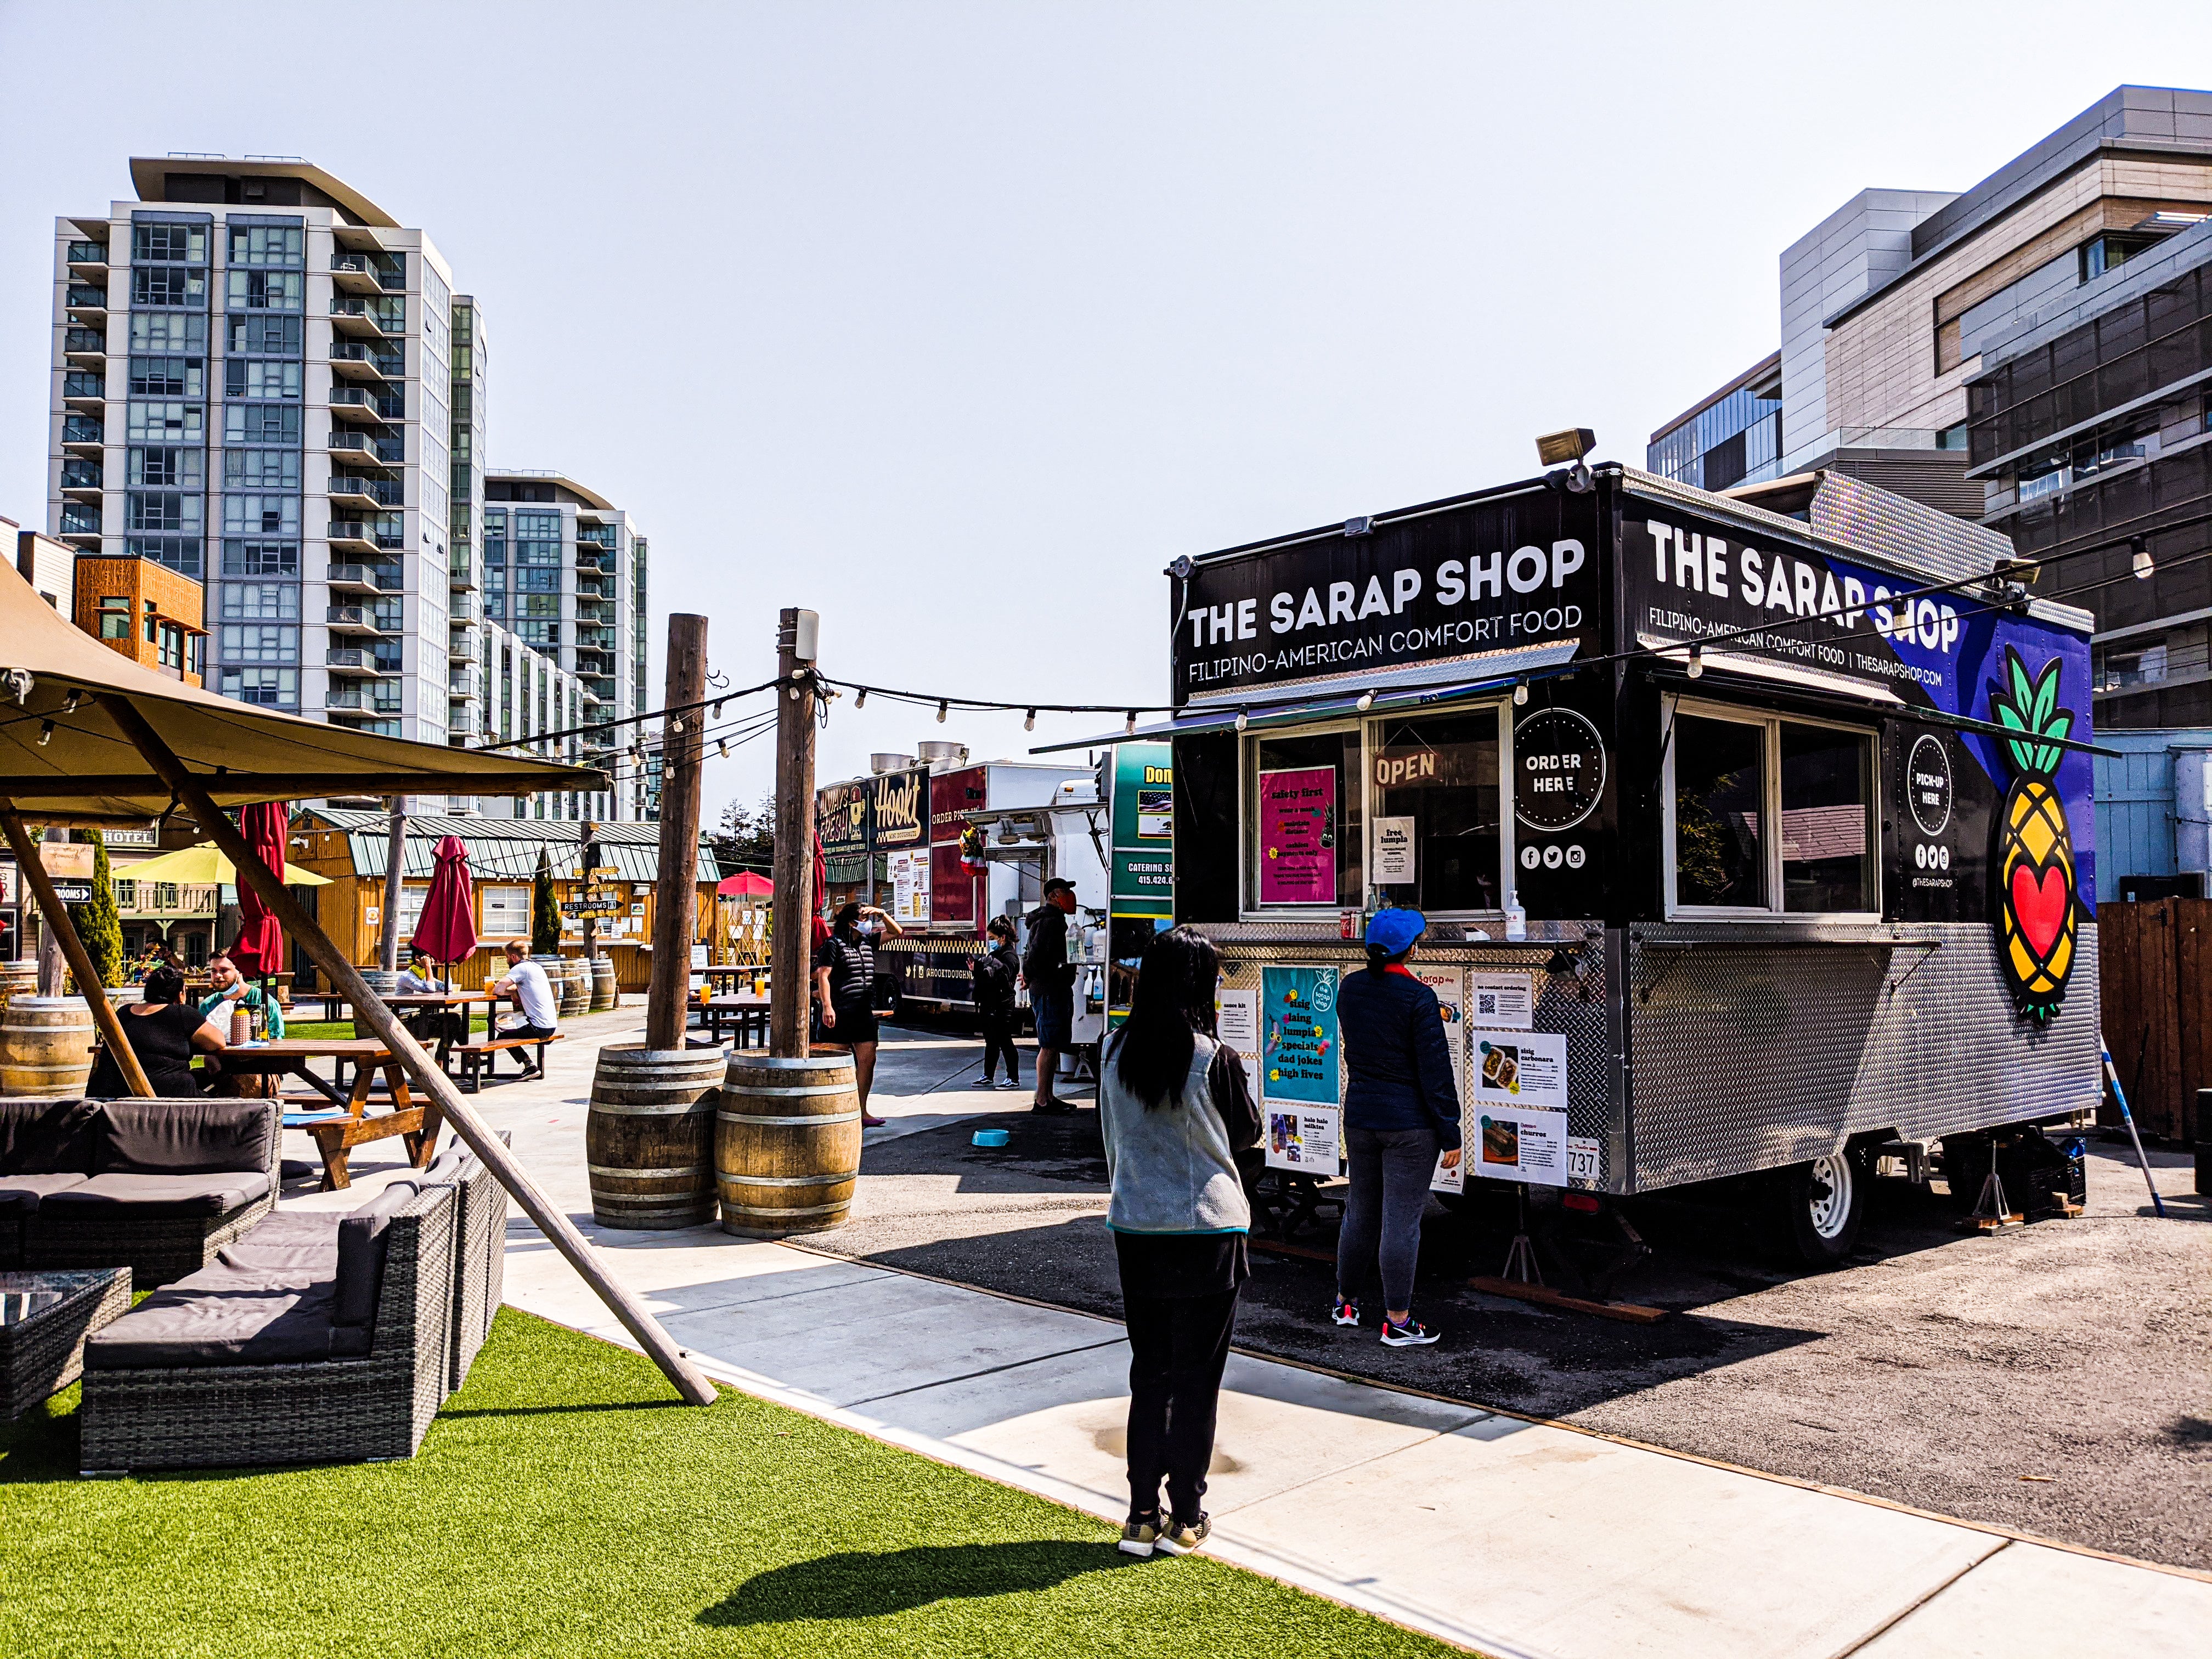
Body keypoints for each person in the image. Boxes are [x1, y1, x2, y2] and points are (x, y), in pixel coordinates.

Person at [1098, 925, 1259, 1559]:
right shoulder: (1213, 1057)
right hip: (1208, 1232)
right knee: (1198, 1377)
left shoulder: (1110, 1051)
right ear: (1201, 983)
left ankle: (1141, 1514)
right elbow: (1245, 1135)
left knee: (1151, 1373)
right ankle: (1187, 1516)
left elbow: (1110, 1137)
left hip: (1135, 1226)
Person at [1331, 907, 1462, 1348]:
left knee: (1360, 1212)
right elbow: (1435, 1072)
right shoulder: (1418, 997)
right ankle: (1398, 1320)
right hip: (1410, 1125)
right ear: (1410, 949)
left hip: (1362, 1116)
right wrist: (1451, 1132)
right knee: (1401, 1223)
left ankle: (1345, 1302)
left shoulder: (1350, 988)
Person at [814, 902, 902, 1127]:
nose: (868, 922)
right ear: (852, 922)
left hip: (863, 1011)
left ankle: (861, 1110)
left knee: (868, 1060)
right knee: (835, 1065)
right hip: (840, 1010)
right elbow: (823, 976)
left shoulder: (867, 941)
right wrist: (827, 1006)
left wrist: (881, 913)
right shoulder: (834, 945)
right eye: (864, 917)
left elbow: (896, 932)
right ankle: (834, 1111)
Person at [89, 964, 227, 1097]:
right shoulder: (182, 1013)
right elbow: (218, 1042)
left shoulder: (124, 1013)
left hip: (119, 1096)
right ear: (180, 994)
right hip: (171, 1099)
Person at [1021, 878, 1080, 1115]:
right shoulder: (1049, 923)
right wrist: (1027, 975)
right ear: (1054, 896)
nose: (1069, 896)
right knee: (1048, 1045)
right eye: (1065, 892)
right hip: (1049, 991)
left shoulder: (1056, 922)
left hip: (1054, 989)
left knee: (1054, 1044)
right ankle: (1042, 1101)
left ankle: (1048, 1096)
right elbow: (1033, 954)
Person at [488, 939, 558, 1079]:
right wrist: (514, 992)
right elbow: (521, 987)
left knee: (501, 1032)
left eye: (507, 957)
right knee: (503, 1025)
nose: (507, 960)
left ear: (513, 957)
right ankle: (484, 1058)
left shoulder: (520, 969)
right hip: (550, 1024)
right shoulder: (535, 967)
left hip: (539, 1026)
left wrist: (510, 992)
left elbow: (498, 989)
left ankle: (529, 1066)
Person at [971, 916, 1022, 1090]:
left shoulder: (1010, 956)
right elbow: (987, 974)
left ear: (1003, 937)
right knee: (991, 1041)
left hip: (1003, 1004)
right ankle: (988, 1075)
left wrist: (989, 967)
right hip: (989, 1003)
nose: (990, 942)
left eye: (992, 938)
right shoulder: (995, 954)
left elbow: (1002, 976)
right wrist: (978, 968)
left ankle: (1013, 1077)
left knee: (1005, 1040)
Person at [198, 949, 285, 1040]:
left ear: (240, 970)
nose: (218, 975)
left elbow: (276, 1038)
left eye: (224, 970)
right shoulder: (208, 1005)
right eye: (214, 971)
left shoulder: (264, 1002)